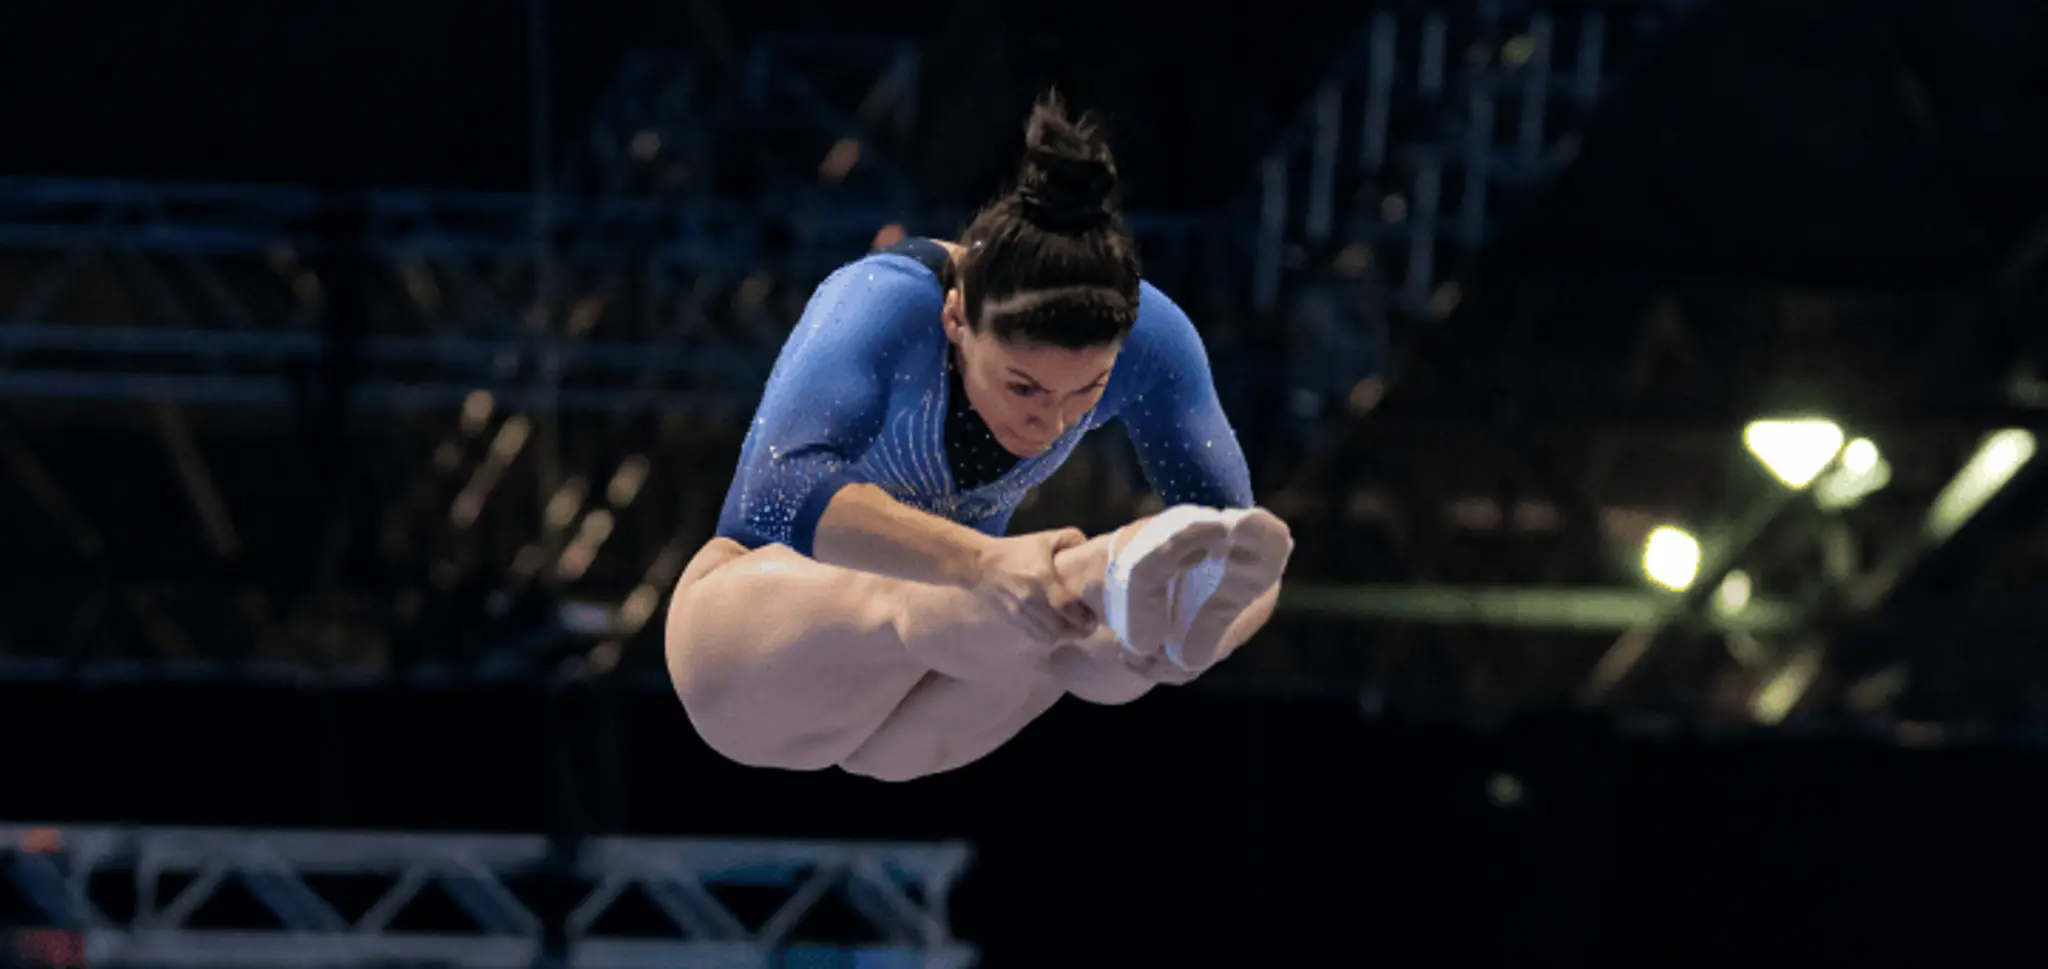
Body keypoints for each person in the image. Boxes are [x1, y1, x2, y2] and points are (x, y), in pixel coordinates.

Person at [664, 91, 1294, 782]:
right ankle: (1093, 570)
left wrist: (1198, 641)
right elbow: (775, 493)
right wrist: (982, 562)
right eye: (1023, 386)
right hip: (756, 641)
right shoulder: (883, 302)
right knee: (930, 598)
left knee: (1073, 647)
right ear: (958, 319)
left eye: (1085, 392)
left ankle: (1115, 604)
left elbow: (1242, 541)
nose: (1052, 421)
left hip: (941, 664)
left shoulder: (1154, 339)